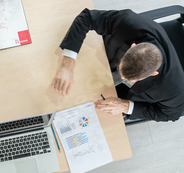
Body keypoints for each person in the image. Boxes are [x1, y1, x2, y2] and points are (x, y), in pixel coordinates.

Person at [52, 9, 184, 122]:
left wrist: (126, 106)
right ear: (132, 47)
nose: (121, 77)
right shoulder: (130, 22)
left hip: (122, 94)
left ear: (153, 74)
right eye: (122, 70)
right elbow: (86, 17)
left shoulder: (174, 90)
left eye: (127, 78)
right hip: (103, 60)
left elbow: (170, 115)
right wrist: (67, 64)